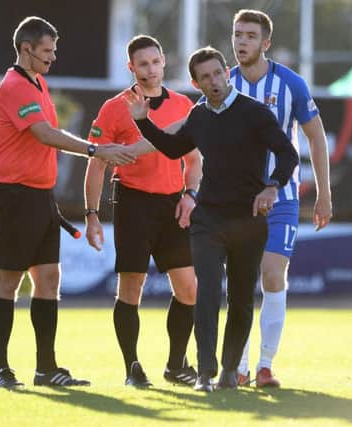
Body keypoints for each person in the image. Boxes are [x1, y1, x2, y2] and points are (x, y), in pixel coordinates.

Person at [125, 46, 298, 392]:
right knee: (206, 294)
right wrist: (143, 121)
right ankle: (206, 372)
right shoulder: (199, 116)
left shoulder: (255, 113)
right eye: (205, 77)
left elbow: (287, 154)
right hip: (208, 220)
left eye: (218, 73)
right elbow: (174, 149)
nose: (214, 81)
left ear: (226, 73)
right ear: (196, 82)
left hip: (248, 219)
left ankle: (231, 370)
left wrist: (272, 187)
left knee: (240, 298)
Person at [0, 16, 134, 389]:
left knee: (49, 279)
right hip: (16, 195)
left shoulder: (37, 82)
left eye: (54, 50)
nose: (53, 57)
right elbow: (44, 134)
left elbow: (46, 135)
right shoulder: (15, 85)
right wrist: (95, 149)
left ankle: (45, 368)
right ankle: (0, 370)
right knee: (8, 280)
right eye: (47, 51)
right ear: (26, 49)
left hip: (39, 195)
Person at [84, 35, 201, 388]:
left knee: (189, 290)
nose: (150, 69)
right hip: (133, 202)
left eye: (155, 61)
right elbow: (96, 164)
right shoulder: (114, 107)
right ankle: (132, 367)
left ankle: (176, 365)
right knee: (131, 285)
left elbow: (194, 160)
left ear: (164, 61)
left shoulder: (183, 105)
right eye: (142, 64)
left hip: (172, 204)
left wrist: (190, 194)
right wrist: (91, 214)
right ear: (131, 68)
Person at [230, 9, 333, 388]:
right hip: (236, 201)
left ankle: (265, 365)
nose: (242, 42)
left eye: (250, 36)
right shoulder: (223, 83)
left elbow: (316, 137)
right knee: (238, 281)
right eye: (237, 34)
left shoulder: (291, 84)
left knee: (273, 277)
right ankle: (237, 367)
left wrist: (324, 194)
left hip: (282, 198)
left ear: (265, 43)